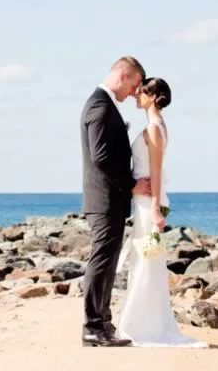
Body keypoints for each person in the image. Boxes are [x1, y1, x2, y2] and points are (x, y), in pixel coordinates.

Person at [116, 77, 207, 348]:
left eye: (141, 92)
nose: (135, 96)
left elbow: (155, 170)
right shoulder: (154, 126)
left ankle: (140, 325)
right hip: (143, 198)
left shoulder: (155, 128)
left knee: (146, 260)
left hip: (147, 202)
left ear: (154, 96)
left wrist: (155, 209)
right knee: (144, 260)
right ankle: (141, 321)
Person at [80, 56, 151, 347]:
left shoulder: (104, 105)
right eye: (134, 85)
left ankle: (101, 323)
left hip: (109, 199)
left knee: (107, 261)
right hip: (105, 199)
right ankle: (93, 326)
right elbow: (102, 157)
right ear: (123, 75)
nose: (134, 93)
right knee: (102, 260)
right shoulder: (100, 105)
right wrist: (133, 183)